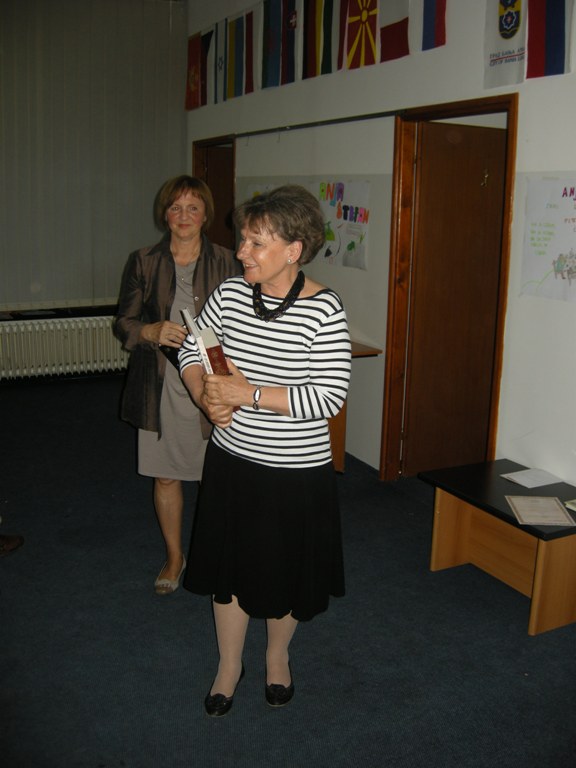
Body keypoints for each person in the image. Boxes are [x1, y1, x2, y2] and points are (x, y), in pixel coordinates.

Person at [179, 185, 352, 716]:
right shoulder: (230, 294)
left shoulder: (324, 310)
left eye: (257, 243)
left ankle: (278, 656)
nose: (242, 252)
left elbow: (328, 397)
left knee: (284, 574)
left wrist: (246, 393)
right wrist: (206, 398)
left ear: (294, 250)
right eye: (244, 240)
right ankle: (229, 665)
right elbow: (193, 349)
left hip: (294, 473)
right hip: (232, 462)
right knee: (228, 573)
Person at [113, 175, 241, 595]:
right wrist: (149, 331)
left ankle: (214, 551)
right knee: (166, 477)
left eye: (192, 207)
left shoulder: (229, 261)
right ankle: (174, 556)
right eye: (175, 207)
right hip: (161, 384)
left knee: (214, 477)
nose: (183, 215)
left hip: (215, 382)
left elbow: (246, 320)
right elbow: (124, 322)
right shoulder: (143, 261)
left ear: (205, 215)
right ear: (164, 214)